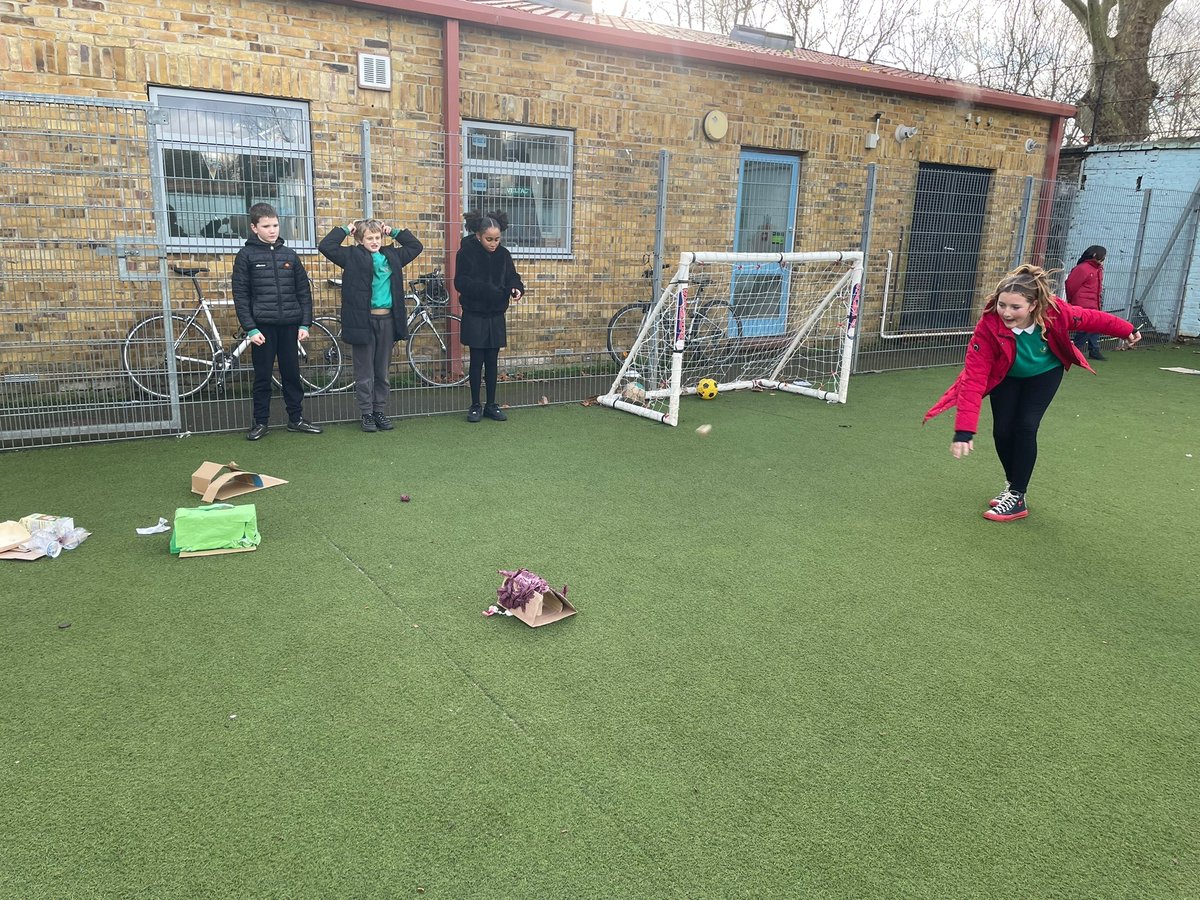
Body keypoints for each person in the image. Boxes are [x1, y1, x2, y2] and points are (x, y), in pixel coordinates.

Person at [924, 263, 1140, 522]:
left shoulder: (1056, 312)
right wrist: (964, 430)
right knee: (1003, 430)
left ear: (1033, 305)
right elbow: (973, 378)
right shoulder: (988, 326)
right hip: (1007, 375)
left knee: (1026, 426)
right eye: (1002, 305)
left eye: (1015, 307)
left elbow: (1093, 318)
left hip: (1044, 372)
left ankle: (1017, 495)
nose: (1006, 312)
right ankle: (1013, 487)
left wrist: (1127, 329)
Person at [319, 219, 424, 432]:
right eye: (369, 238)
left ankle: (379, 411)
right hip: (363, 322)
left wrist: (393, 231)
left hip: (387, 321)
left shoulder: (392, 256)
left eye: (377, 237)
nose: (374, 241)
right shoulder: (351, 256)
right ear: (360, 239)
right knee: (364, 372)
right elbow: (326, 246)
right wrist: (345, 229)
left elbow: (416, 246)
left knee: (382, 371)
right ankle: (366, 413)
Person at [232, 202, 322, 440]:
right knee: (262, 377)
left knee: (291, 374)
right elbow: (240, 295)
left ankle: (296, 419)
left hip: (290, 326)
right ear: (254, 228)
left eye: (275, 225)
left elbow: (303, 291)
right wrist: (250, 329)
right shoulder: (246, 256)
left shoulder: (289, 255)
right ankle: (260, 422)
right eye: (266, 226)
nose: (272, 230)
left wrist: (304, 324)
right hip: (262, 328)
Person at [454, 209, 525, 422]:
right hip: (475, 314)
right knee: (476, 361)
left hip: (495, 315)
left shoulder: (503, 254)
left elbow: (512, 275)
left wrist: (516, 287)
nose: (493, 243)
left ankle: (491, 405)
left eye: (497, 239)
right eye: (489, 239)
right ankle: (475, 405)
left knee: (492, 362)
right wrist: (488, 290)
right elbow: (461, 282)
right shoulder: (466, 253)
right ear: (478, 235)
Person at [1065, 245, 1107, 360]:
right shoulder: (1083, 268)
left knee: (1095, 325)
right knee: (1086, 328)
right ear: (1095, 255)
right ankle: (1074, 349)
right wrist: (1072, 300)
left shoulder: (1097, 269)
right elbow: (1070, 285)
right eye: (1103, 257)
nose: (1104, 259)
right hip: (1083, 304)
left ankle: (1094, 349)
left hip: (1093, 303)